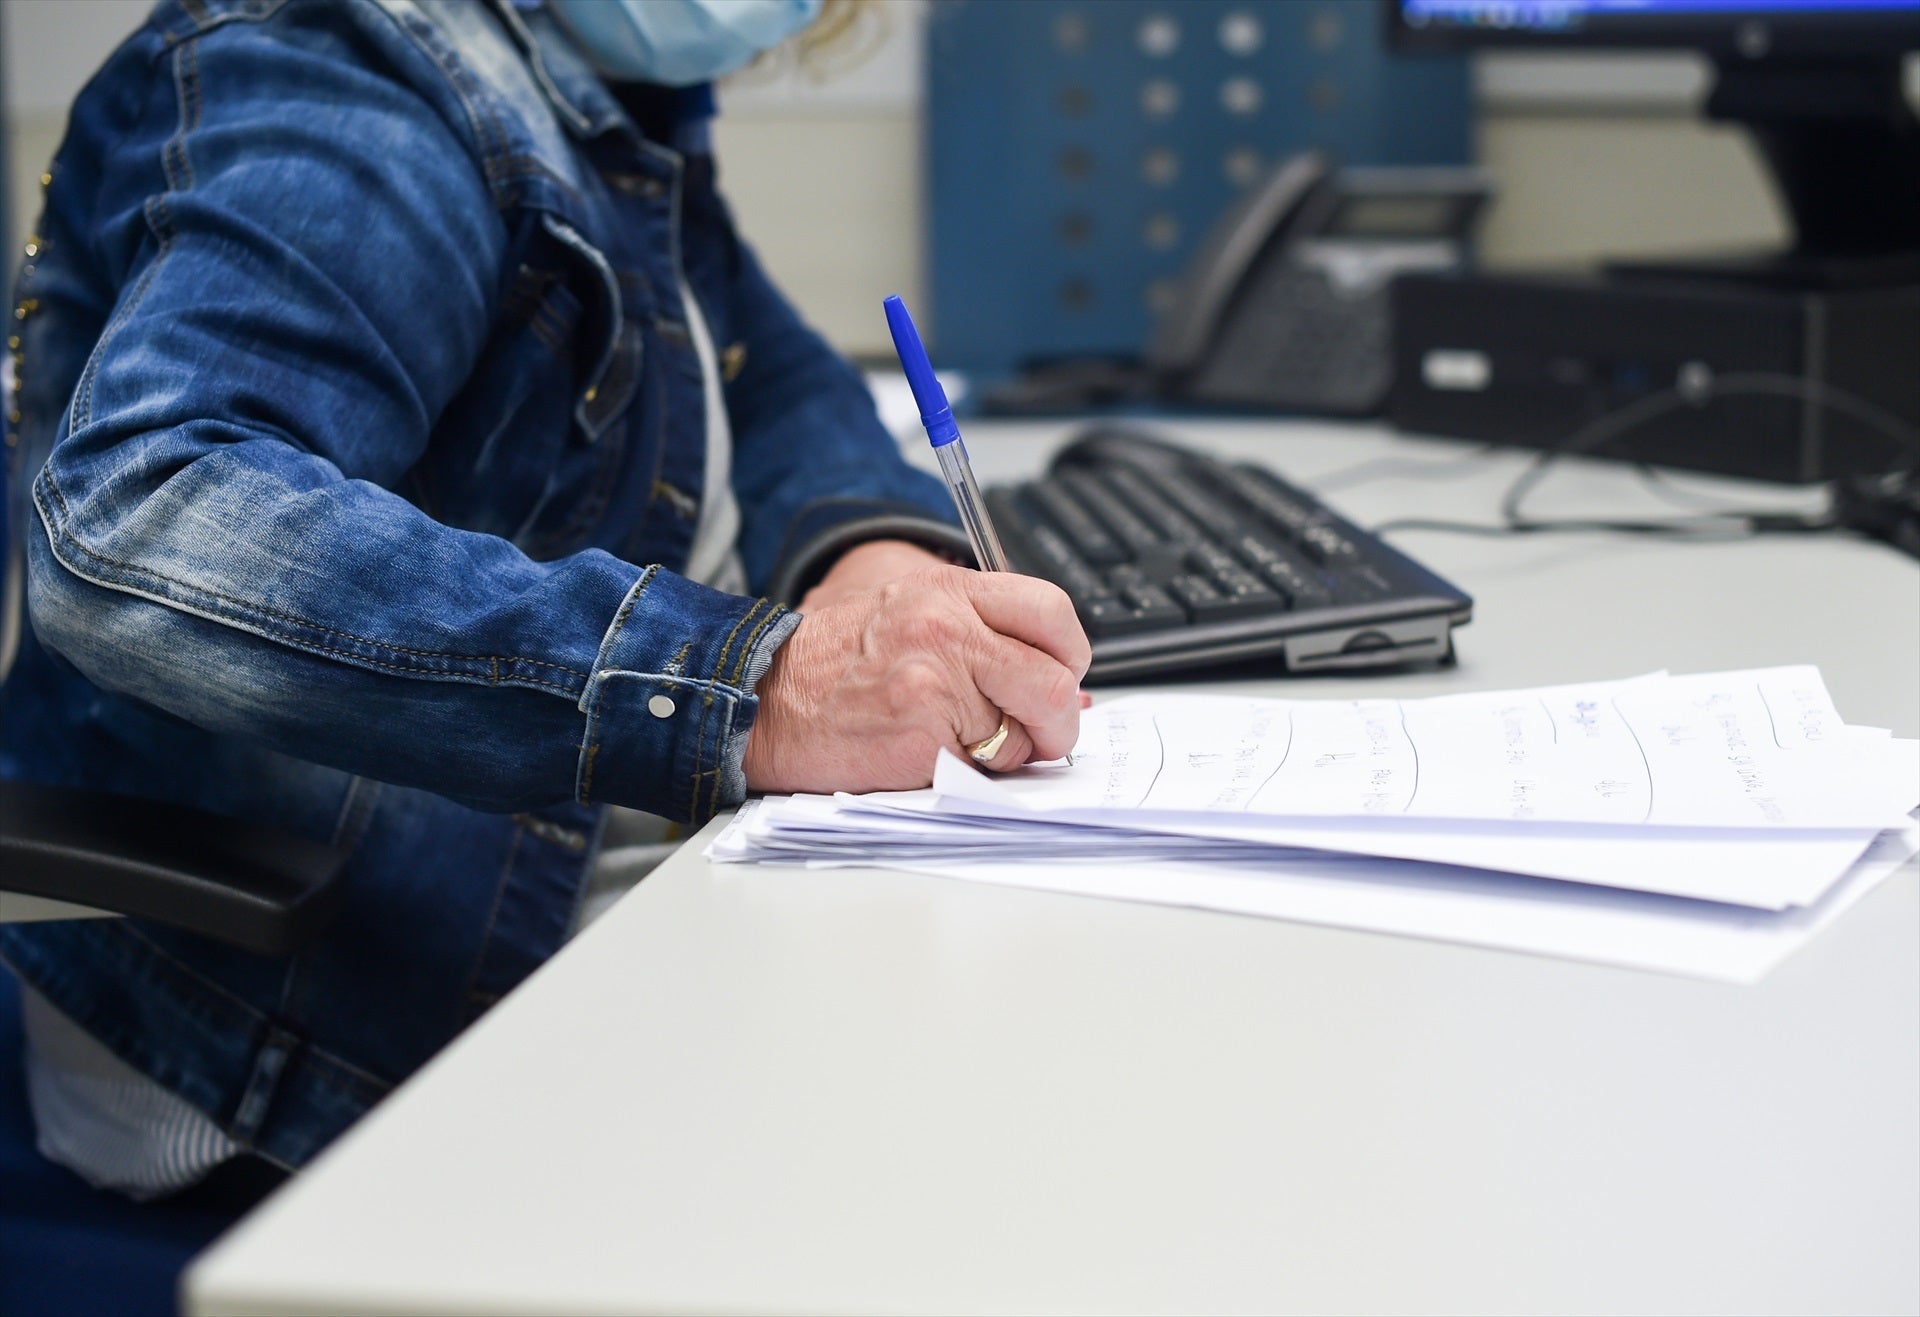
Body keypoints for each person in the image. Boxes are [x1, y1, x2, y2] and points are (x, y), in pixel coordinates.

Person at [0, 0, 1088, 1201]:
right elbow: (141, 511)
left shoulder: (599, 104)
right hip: (304, 1021)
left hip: (561, 884)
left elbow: (771, 383)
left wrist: (878, 559)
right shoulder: (356, 86)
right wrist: (749, 683)